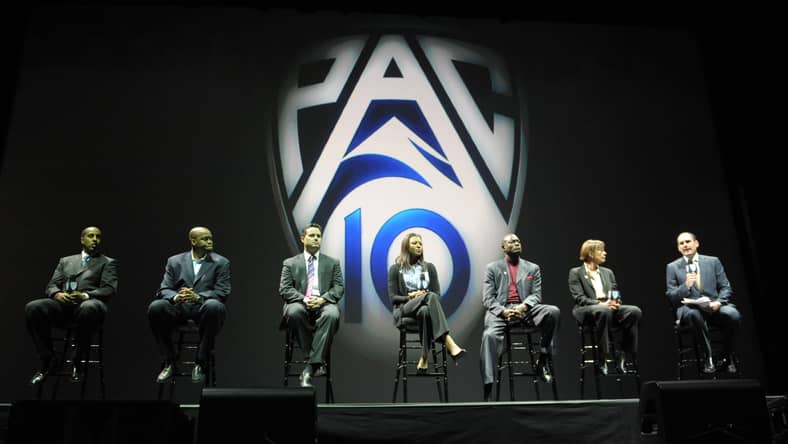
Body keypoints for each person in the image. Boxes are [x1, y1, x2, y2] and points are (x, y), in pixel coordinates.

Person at [25, 226, 118, 385]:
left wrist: (86, 295)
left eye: (98, 237)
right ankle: (48, 359)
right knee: (33, 307)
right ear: (82, 239)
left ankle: (78, 360)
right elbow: (52, 285)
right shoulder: (66, 261)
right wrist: (57, 294)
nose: (95, 240)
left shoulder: (107, 262)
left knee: (87, 307)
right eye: (90, 236)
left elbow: (109, 289)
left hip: (91, 307)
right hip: (65, 307)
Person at [480, 233, 560, 401]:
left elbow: (536, 295)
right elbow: (488, 298)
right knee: (488, 337)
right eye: (511, 241)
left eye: (517, 241)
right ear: (503, 248)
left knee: (552, 311)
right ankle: (488, 386)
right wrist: (503, 311)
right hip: (501, 312)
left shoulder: (533, 268)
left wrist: (523, 306)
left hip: (525, 309)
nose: (516, 243)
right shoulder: (492, 268)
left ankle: (543, 358)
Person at [148, 226, 230, 383]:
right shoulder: (175, 261)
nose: (210, 241)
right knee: (156, 307)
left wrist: (198, 297)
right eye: (205, 238)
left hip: (203, 310)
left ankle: (200, 361)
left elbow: (223, 292)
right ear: (193, 241)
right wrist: (176, 297)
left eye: (211, 238)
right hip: (179, 309)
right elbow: (164, 289)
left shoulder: (221, 262)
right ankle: (170, 361)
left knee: (215, 306)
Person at [388, 232, 466, 373]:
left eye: (420, 243)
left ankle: (424, 358)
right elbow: (393, 298)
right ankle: (449, 341)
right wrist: (411, 297)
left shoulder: (429, 267)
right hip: (405, 308)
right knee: (429, 296)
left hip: (423, 307)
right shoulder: (395, 269)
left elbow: (437, 293)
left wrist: (423, 296)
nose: (419, 246)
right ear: (406, 246)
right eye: (414, 243)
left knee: (425, 310)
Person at [279, 223, 344, 388]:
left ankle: (308, 368)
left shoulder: (332, 263)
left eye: (318, 236)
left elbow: (338, 287)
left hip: (323, 303)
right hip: (300, 303)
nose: (316, 239)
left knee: (332, 314)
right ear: (303, 238)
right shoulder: (290, 263)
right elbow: (285, 289)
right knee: (294, 311)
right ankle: (315, 362)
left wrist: (323, 299)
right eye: (312, 235)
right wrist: (303, 299)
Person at [666, 231, 741, 374]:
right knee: (695, 314)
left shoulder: (713, 261)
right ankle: (709, 357)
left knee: (733, 314)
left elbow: (725, 287)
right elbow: (671, 296)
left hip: (713, 306)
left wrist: (719, 302)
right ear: (678, 248)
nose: (685, 245)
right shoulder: (673, 267)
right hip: (689, 308)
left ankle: (725, 355)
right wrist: (685, 286)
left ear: (696, 243)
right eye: (681, 243)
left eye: (688, 241)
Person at [568, 239, 642, 375]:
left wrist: (616, 302)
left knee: (634, 311)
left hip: (607, 307)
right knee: (603, 311)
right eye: (601, 250)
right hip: (587, 308)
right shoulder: (576, 272)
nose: (605, 253)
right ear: (590, 253)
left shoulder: (608, 272)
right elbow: (580, 298)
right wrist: (600, 304)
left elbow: (614, 292)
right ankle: (603, 355)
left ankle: (623, 353)